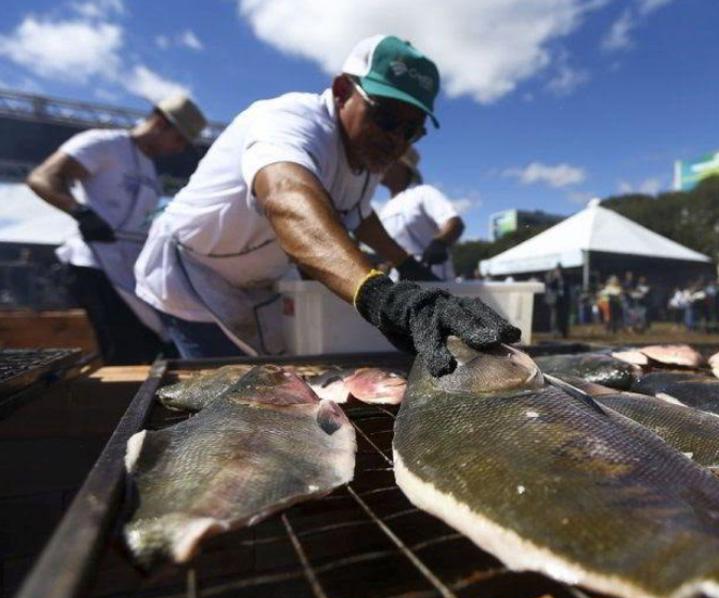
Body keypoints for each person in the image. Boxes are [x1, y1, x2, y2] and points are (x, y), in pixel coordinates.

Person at [134, 35, 517, 374]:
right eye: (385, 118)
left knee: (275, 383)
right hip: (191, 272)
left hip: (256, 282)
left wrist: (409, 266)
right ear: (341, 91)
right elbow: (286, 195)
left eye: (411, 130)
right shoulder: (289, 120)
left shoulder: (366, 162)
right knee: (223, 391)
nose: (396, 139)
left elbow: (360, 217)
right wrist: (383, 296)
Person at [27, 95, 206, 364]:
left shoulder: (148, 168)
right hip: (94, 265)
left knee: (150, 348)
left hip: (126, 270)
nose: (178, 149)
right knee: (123, 352)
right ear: (160, 123)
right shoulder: (104, 143)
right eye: (178, 139)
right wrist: (81, 212)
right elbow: (42, 178)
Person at [377, 147, 464, 280]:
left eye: (388, 160)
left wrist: (440, 243)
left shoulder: (423, 193)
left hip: (435, 279)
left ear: (402, 166)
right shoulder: (385, 209)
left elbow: (454, 222)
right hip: (400, 284)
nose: (381, 164)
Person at [544, 264, 570, 338]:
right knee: (555, 316)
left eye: (560, 270)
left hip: (564, 299)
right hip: (555, 300)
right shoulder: (551, 276)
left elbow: (567, 287)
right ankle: (554, 332)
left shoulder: (565, 277)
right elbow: (549, 286)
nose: (559, 271)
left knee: (564, 316)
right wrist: (556, 278)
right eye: (558, 270)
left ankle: (564, 332)